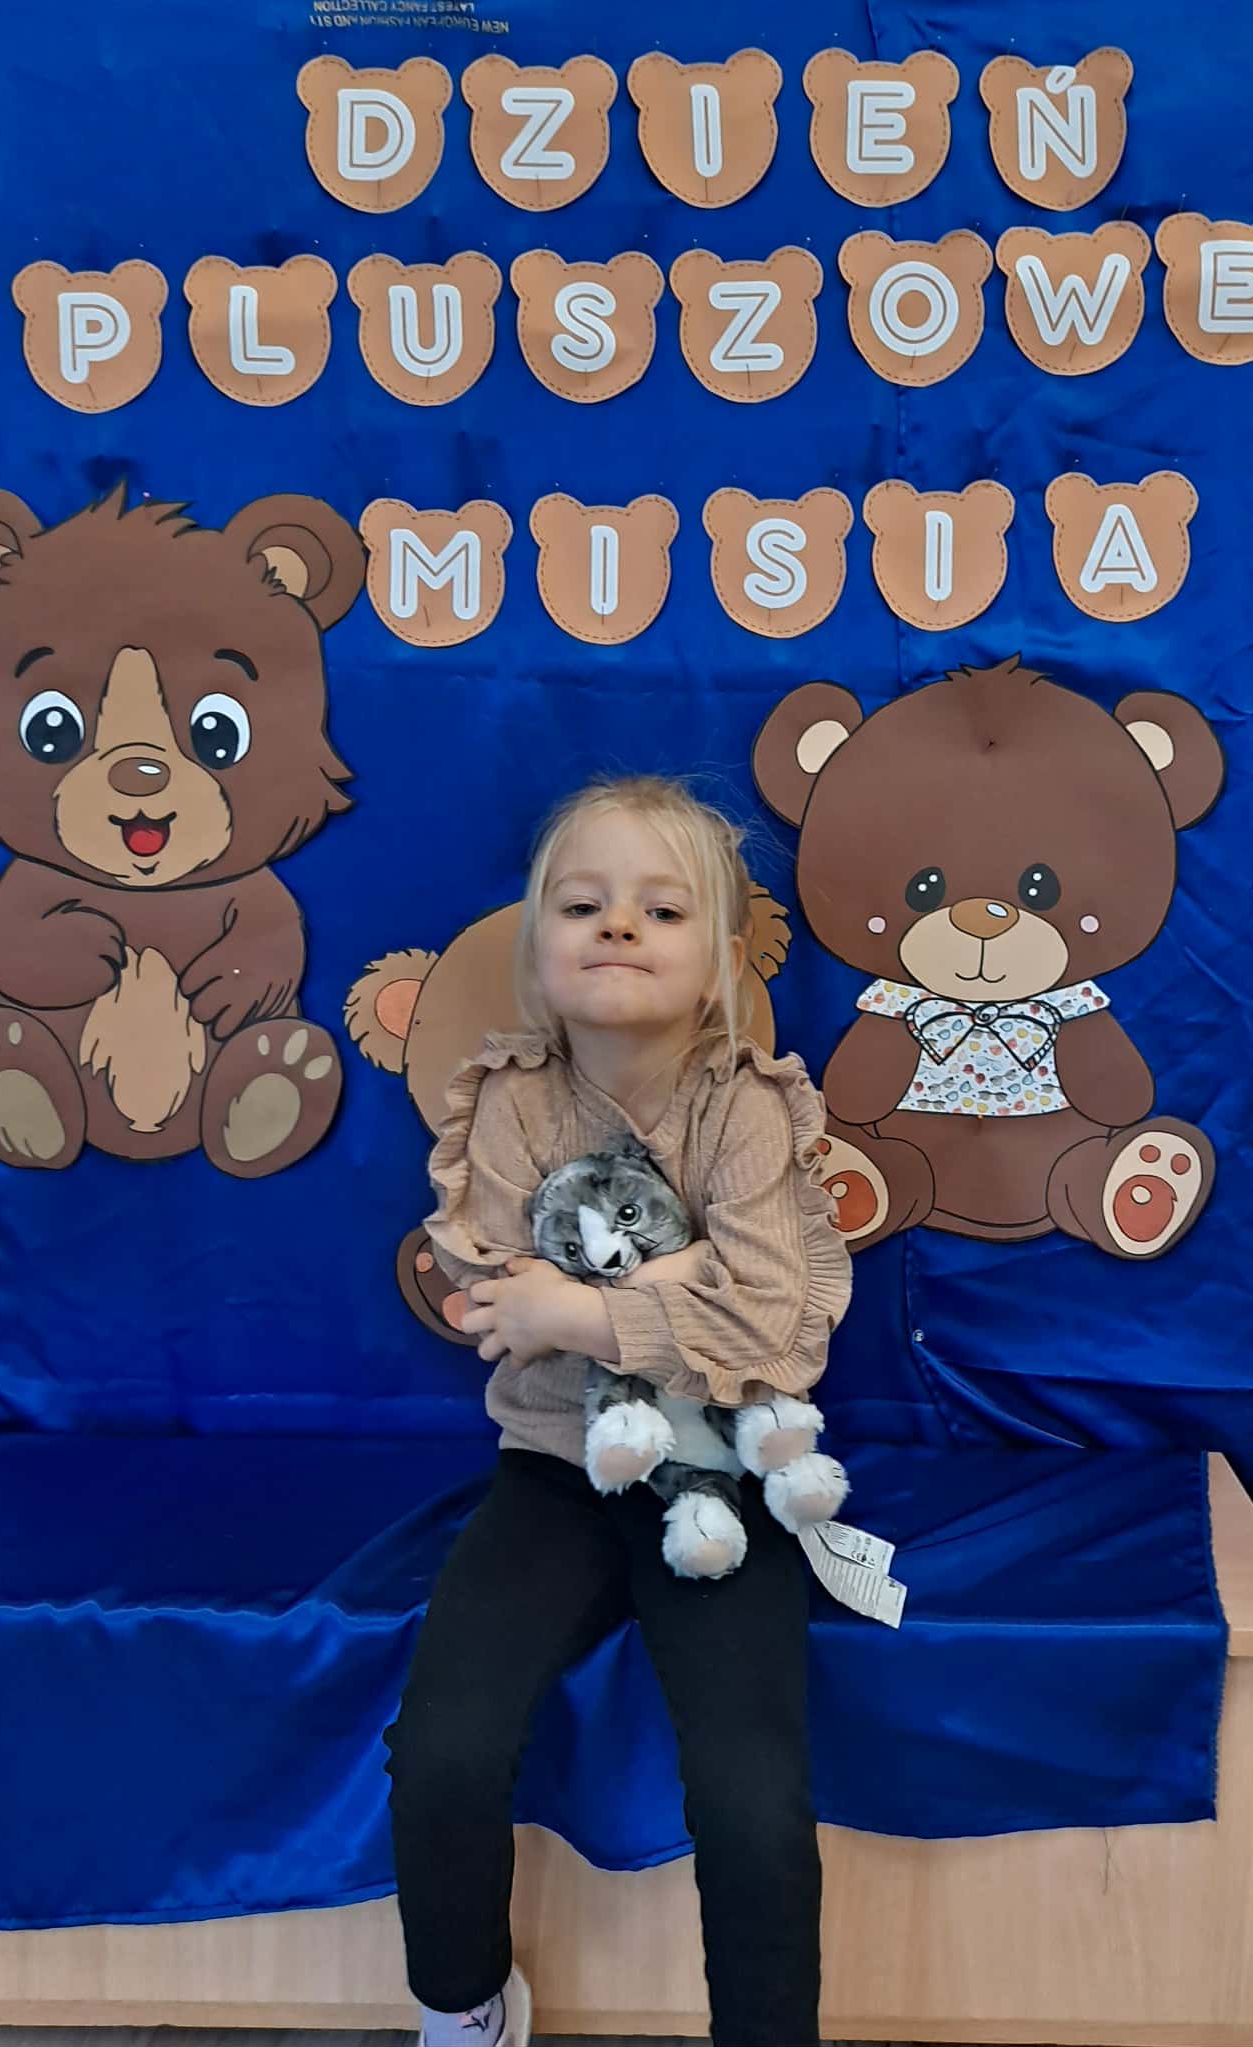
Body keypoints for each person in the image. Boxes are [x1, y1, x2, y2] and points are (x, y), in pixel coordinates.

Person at [384, 775, 852, 2047]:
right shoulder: (510, 1102)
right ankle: (464, 2008)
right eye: (582, 904)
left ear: (717, 964)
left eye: (661, 909)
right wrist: (688, 1276)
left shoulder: (745, 1106)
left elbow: (778, 1331)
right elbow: (500, 1307)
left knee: (752, 1798)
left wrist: (585, 1310)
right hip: (555, 1468)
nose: (619, 927)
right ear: (537, 945)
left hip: (724, 1476)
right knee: (442, 1749)